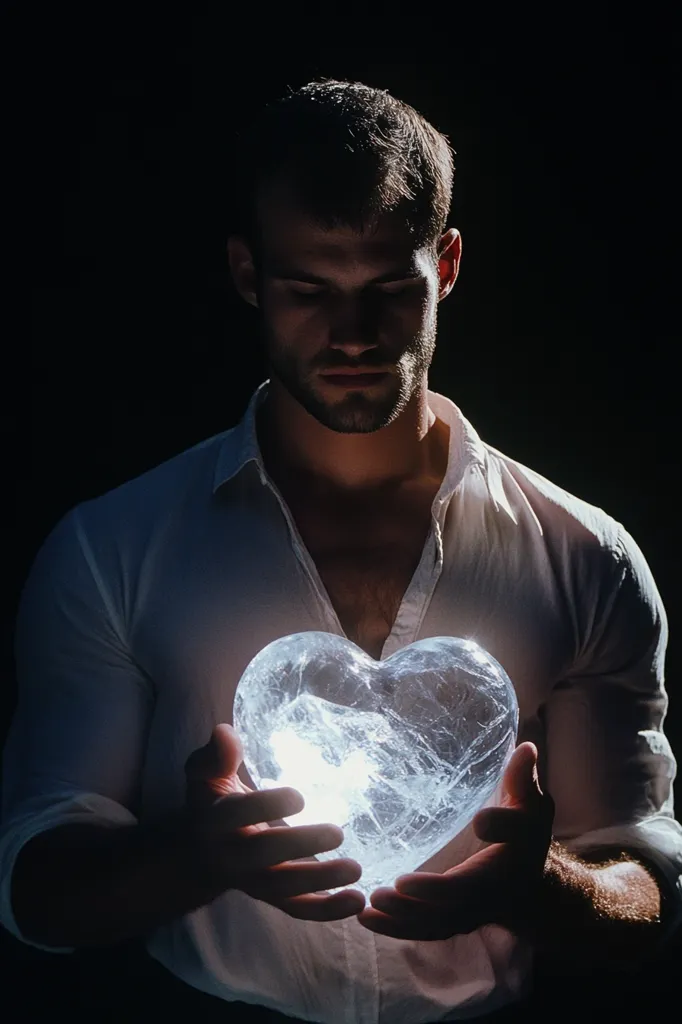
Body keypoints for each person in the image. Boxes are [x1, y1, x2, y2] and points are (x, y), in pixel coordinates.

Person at [1, 78, 680, 1024]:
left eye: (388, 290)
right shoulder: (112, 551)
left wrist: (540, 881)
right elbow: (35, 890)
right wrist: (201, 855)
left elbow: (649, 893)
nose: (353, 336)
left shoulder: (585, 557)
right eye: (309, 291)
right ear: (248, 274)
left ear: (445, 266)